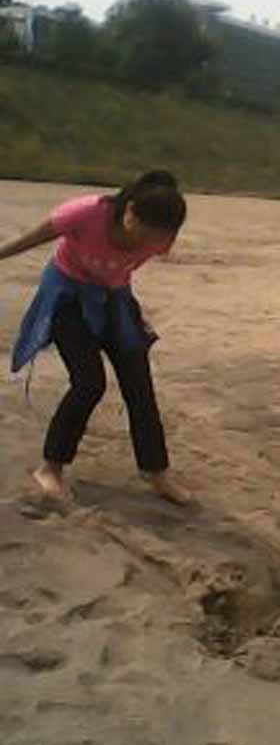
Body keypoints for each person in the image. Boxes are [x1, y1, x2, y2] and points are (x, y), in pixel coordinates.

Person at [1, 171, 191, 509]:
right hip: (67, 296)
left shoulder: (161, 239)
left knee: (139, 384)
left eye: (158, 237)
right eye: (143, 232)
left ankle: (156, 471)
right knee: (89, 382)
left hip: (115, 299)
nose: (147, 243)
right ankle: (50, 468)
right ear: (129, 211)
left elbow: (131, 262)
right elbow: (33, 238)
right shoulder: (86, 213)